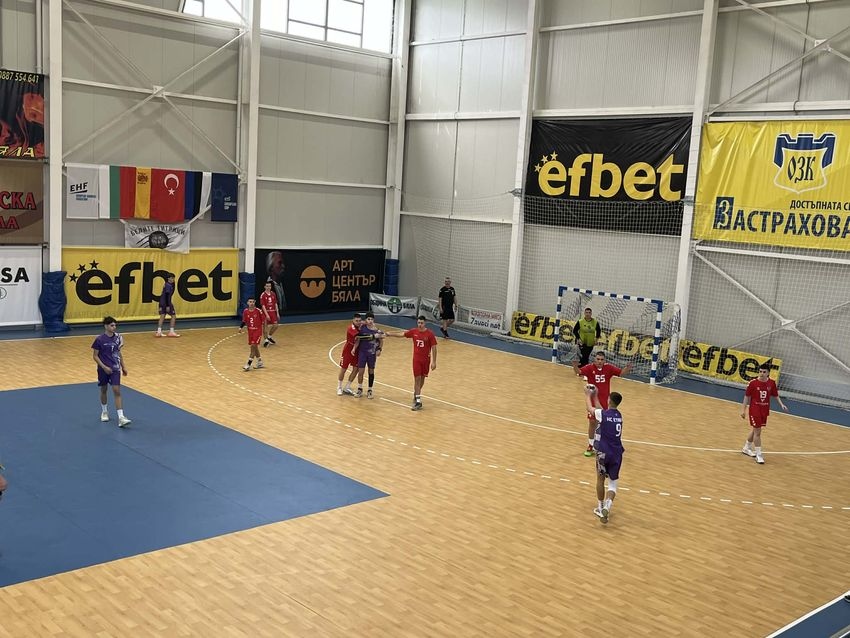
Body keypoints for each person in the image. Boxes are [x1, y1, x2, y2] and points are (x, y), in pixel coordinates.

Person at [572, 351, 632, 457]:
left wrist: (627, 368)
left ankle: (605, 445)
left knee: (605, 424)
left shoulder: (609, 368)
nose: (599, 361)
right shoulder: (589, 368)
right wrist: (575, 366)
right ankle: (590, 445)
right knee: (592, 422)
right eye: (598, 359)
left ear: (604, 360)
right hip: (593, 401)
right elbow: (579, 372)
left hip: (606, 402)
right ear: (594, 359)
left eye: (602, 360)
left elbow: (621, 373)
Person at [584, 386, 624, 525]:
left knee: (600, 479)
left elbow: (591, 409)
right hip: (617, 453)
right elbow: (602, 412)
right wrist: (596, 396)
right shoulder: (619, 416)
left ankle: (600, 507)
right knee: (613, 484)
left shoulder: (604, 415)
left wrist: (588, 395)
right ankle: (608, 506)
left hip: (603, 452)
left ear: (609, 400)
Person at [385, 315, 437, 411]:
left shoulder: (430, 334)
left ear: (425, 323)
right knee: (417, 379)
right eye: (418, 323)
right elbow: (402, 334)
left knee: (422, 379)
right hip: (416, 360)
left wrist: (434, 362)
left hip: (426, 360)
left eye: (422, 323)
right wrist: (390, 334)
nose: (420, 325)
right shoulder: (414, 331)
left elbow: (434, 347)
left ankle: (416, 394)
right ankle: (418, 401)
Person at [741, 363, 788, 464]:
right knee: (758, 432)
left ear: (768, 373)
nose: (761, 373)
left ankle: (746, 448)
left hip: (764, 410)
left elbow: (775, 395)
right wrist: (743, 410)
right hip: (755, 410)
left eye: (764, 372)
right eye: (760, 371)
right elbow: (747, 396)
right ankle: (759, 455)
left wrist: (781, 404)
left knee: (755, 430)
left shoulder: (771, 383)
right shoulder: (753, 383)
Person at [92, 316, 131, 427]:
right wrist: (104, 367)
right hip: (103, 369)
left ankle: (121, 417)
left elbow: (118, 353)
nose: (114, 327)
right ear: (106, 326)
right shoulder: (99, 339)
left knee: (116, 390)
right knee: (104, 390)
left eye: (115, 325)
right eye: (112, 325)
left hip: (115, 368)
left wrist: (123, 366)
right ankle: (104, 411)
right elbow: (95, 356)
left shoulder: (118, 338)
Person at [350, 312, 384, 399]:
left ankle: (370, 390)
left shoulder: (377, 330)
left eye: (372, 319)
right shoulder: (362, 328)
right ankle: (360, 389)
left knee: (371, 371)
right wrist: (354, 348)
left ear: (374, 320)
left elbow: (381, 341)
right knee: (361, 371)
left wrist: (379, 349)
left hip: (372, 354)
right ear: (366, 320)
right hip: (362, 353)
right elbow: (358, 339)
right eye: (368, 319)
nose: (370, 321)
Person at [338, 313, 363, 395]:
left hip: (356, 350)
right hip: (348, 350)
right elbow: (359, 336)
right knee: (343, 369)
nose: (358, 322)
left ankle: (347, 387)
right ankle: (339, 387)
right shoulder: (351, 328)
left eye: (359, 321)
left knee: (356, 369)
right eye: (356, 321)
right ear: (353, 320)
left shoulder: (360, 326)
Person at [239, 297, 266, 371]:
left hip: (257, 331)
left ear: (255, 302)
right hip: (250, 332)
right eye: (250, 302)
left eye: (253, 302)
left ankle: (248, 364)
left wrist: (264, 331)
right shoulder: (245, 311)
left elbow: (264, 321)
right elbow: (244, 321)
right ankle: (260, 362)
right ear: (247, 303)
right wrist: (240, 327)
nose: (252, 303)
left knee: (253, 346)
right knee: (255, 347)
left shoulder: (258, 311)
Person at [155, 272, 180, 337]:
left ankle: (159, 332)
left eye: (174, 278)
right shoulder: (168, 286)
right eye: (172, 278)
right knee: (173, 316)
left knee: (162, 316)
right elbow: (167, 296)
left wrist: (160, 305)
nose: (173, 279)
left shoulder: (166, 284)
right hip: (166, 303)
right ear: (168, 278)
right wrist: (168, 306)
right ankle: (171, 332)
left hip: (162, 302)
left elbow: (162, 295)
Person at [260, 280, 280, 347]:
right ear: (264, 287)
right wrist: (267, 314)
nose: (268, 287)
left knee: (276, 325)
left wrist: (277, 313)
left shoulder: (273, 294)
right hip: (266, 312)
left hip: (273, 311)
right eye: (267, 286)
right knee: (265, 327)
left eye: (269, 286)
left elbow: (275, 303)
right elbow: (263, 306)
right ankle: (266, 340)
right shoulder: (263, 295)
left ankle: (269, 336)